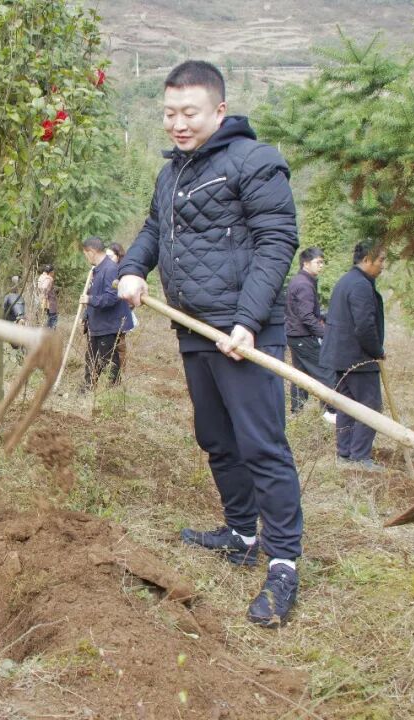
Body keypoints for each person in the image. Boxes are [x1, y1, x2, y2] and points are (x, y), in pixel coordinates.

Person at [116, 61, 302, 627]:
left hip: (243, 328)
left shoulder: (253, 160)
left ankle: (284, 562)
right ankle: (242, 532)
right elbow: (154, 227)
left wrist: (247, 320)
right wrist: (132, 267)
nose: (177, 123)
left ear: (219, 110)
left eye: (189, 113)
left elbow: (278, 240)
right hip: (193, 324)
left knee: (261, 443)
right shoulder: (172, 171)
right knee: (215, 436)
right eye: (169, 113)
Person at [319, 240, 388, 471]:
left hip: (341, 356)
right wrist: (377, 351)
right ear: (367, 259)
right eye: (381, 260)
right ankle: (359, 457)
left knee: (346, 406)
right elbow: (364, 326)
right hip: (357, 358)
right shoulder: (360, 285)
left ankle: (345, 454)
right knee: (369, 407)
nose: (383, 265)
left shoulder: (347, 281)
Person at [284, 247, 336, 422]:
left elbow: (307, 312)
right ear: (306, 263)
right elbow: (305, 316)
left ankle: (296, 413)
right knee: (326, 371)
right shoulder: (304, 284)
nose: (321, 265)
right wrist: (325, 334)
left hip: (296, 336)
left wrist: (324, 316)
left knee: (301, 376)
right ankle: (331, 411)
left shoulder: (303, 281)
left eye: (322, 262)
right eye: (318, 262)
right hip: (302, 337)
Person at [80, 237, 127, 389]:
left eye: (86, 254)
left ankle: (114, 391)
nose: (86, 258)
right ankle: (88, 387)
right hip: (96, 324)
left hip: (107, 325)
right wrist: (86, 315)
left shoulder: (111, 269)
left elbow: (112, 298)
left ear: (91, 252)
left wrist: (90, 299)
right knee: (91, 358)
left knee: (108, 360)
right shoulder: (97, 270)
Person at [36, 264, 58, 329]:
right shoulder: (49, 279)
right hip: (49, 303)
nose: (53, 273)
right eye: (53, 272)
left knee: (47, 319)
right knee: (52, 319)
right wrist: (45, 296)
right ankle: (51, 334)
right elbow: (45, 287)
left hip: (42, 301)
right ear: (51, 272)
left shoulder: (41, 277)